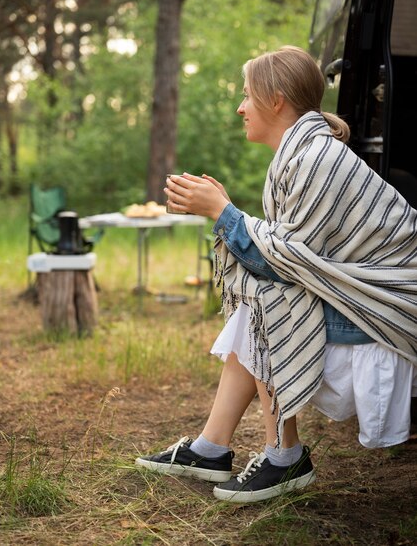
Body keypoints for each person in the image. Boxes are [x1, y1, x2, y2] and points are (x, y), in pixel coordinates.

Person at [135, 45, 417, 504]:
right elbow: (291, 249)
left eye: (247, 95)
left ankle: (283, 457)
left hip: (387, 313)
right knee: (262, 296)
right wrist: (229, 213)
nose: (240, 107)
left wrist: (225, 214)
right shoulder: (304, 152)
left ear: (276, 99)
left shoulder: (316, 158)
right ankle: (214, 448)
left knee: (267, 299)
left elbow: (285, 262)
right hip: (366, 302)